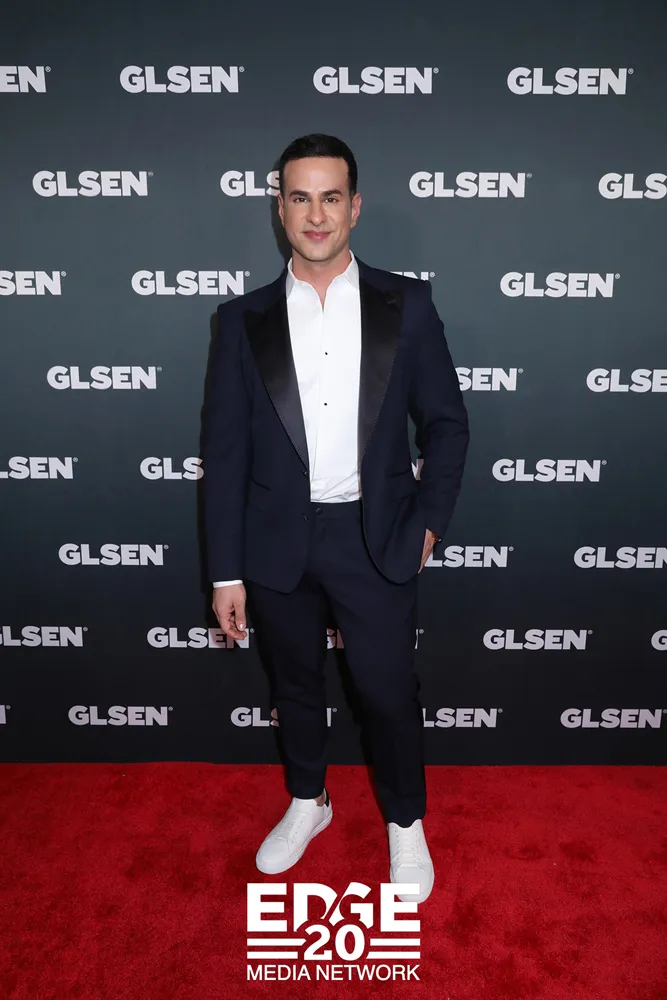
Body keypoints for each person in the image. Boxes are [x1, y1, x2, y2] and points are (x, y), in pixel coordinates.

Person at [201, 134, 469, 904]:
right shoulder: (240, 320)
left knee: (386, 691)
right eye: (299, 197)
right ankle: (308, 800)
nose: (314, 214)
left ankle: (405, 820)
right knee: (292, 685)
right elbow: (224, 454)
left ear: (353, 207)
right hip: (274, 541)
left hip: (374, 534)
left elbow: (446, 424)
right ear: (279, 209)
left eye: (329, 197)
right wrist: (225, 570)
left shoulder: (405, 305)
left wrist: (428, 520)